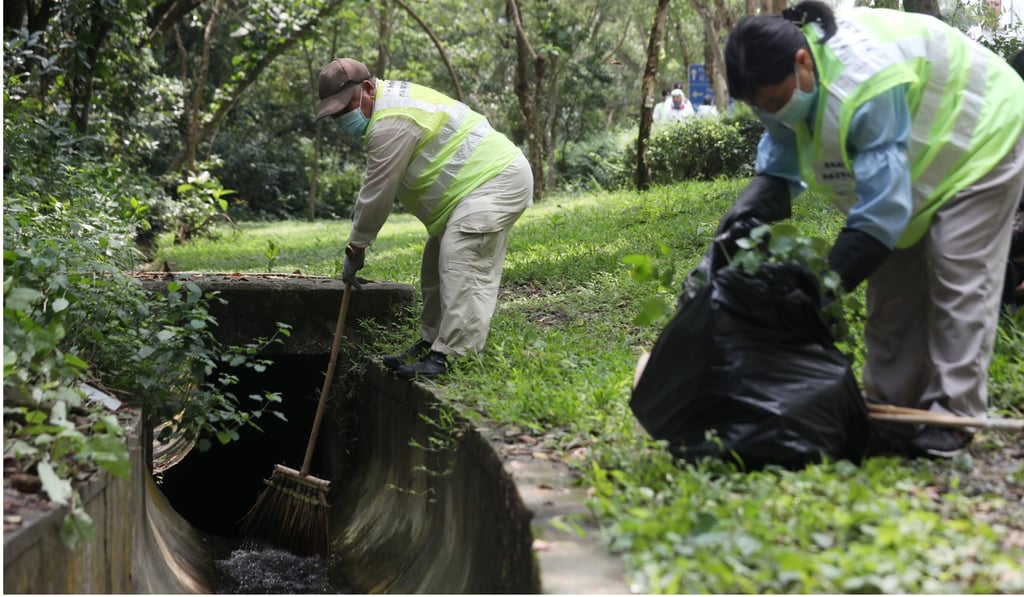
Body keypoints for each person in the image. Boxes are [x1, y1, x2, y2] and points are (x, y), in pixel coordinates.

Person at [718, 1, 1024, 458]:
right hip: (920, 155)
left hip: (984, 134)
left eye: (776, 102)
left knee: (958, 273)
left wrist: (821, 286)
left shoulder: (862, 82)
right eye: (762, 107)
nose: (773, 112)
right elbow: (782, 154)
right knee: (893, 284)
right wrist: (744, 214)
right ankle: (892, 411)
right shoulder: (776, 84)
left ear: (803, 62)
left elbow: (881, 215)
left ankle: (952, 416)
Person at [315, 58, 534, 380]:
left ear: (367, 89)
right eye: (334, 113)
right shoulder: (390, 106)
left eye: (344, 106)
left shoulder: (392, 121)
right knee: (434, 266)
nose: (341, 117)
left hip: (495, 181)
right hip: (468, 192)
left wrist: (356, 247)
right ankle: (432, 341)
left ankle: (454, 356)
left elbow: (377, 194)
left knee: (463, 261)